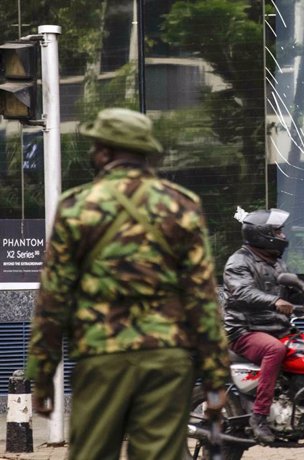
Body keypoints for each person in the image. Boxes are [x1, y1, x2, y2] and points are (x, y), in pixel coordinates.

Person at [26, 108, 230, 459]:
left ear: (105, 152)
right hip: (167, 359)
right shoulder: (181, 205)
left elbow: (53, 298)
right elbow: (203, 297)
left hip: (101, 357)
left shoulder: (76, 207)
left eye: (95, 147)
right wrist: (214, 376)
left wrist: (42, 373)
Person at [223, 207, 304, 444]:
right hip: (245, 331)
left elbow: (299, 292)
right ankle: (259, 417)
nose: (282, 236)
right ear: (263, 234)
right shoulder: (238, 261)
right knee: (275, 350)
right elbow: (243, 292)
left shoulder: (276, 264)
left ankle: (296, 404)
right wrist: (275, 301)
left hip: (276, 329)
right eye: (278, 231)